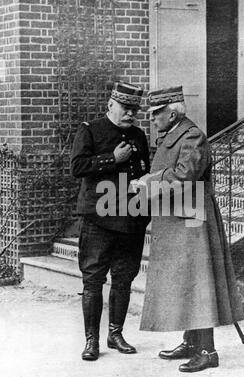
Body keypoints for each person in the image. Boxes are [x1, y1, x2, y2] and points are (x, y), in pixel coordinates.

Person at [136, 86, 244, 373]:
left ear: (172, 114)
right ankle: (191, 341)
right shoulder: (174, 135)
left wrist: (149, 181)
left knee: (198, 281)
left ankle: (208, 351)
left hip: (192, 216)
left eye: (156, 114)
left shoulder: (192, 136)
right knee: (183, 280)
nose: (152, 119)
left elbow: (186, 175)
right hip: (178, 215)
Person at [71, 81, 150, 361]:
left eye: (134, 110)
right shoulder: (90, 130)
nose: (130, 114)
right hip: (99, 219)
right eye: (125, 108)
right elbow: (77, 167)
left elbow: (145, 173)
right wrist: (111, 158)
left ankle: (115, 334)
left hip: (130, 220)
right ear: (110, 106)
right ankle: (92, 340)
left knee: (124, 278)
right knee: (93, 280)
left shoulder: (140, 135)